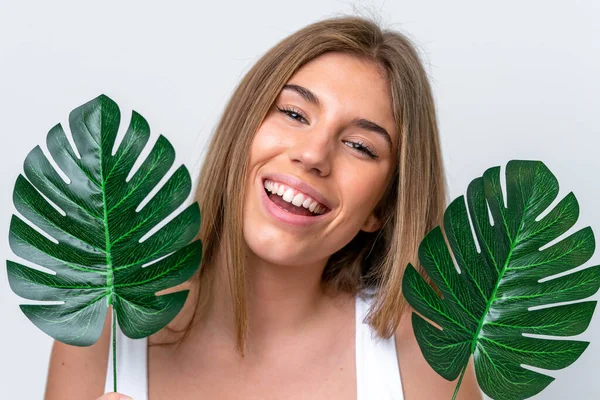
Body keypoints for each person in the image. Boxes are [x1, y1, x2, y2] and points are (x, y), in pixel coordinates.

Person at [45, 15, 481, 400]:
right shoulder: (106, 328)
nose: (313, 154)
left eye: (359, 146)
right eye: (293, 113)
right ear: (242, 133)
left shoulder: (425, 352)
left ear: (381, 208)